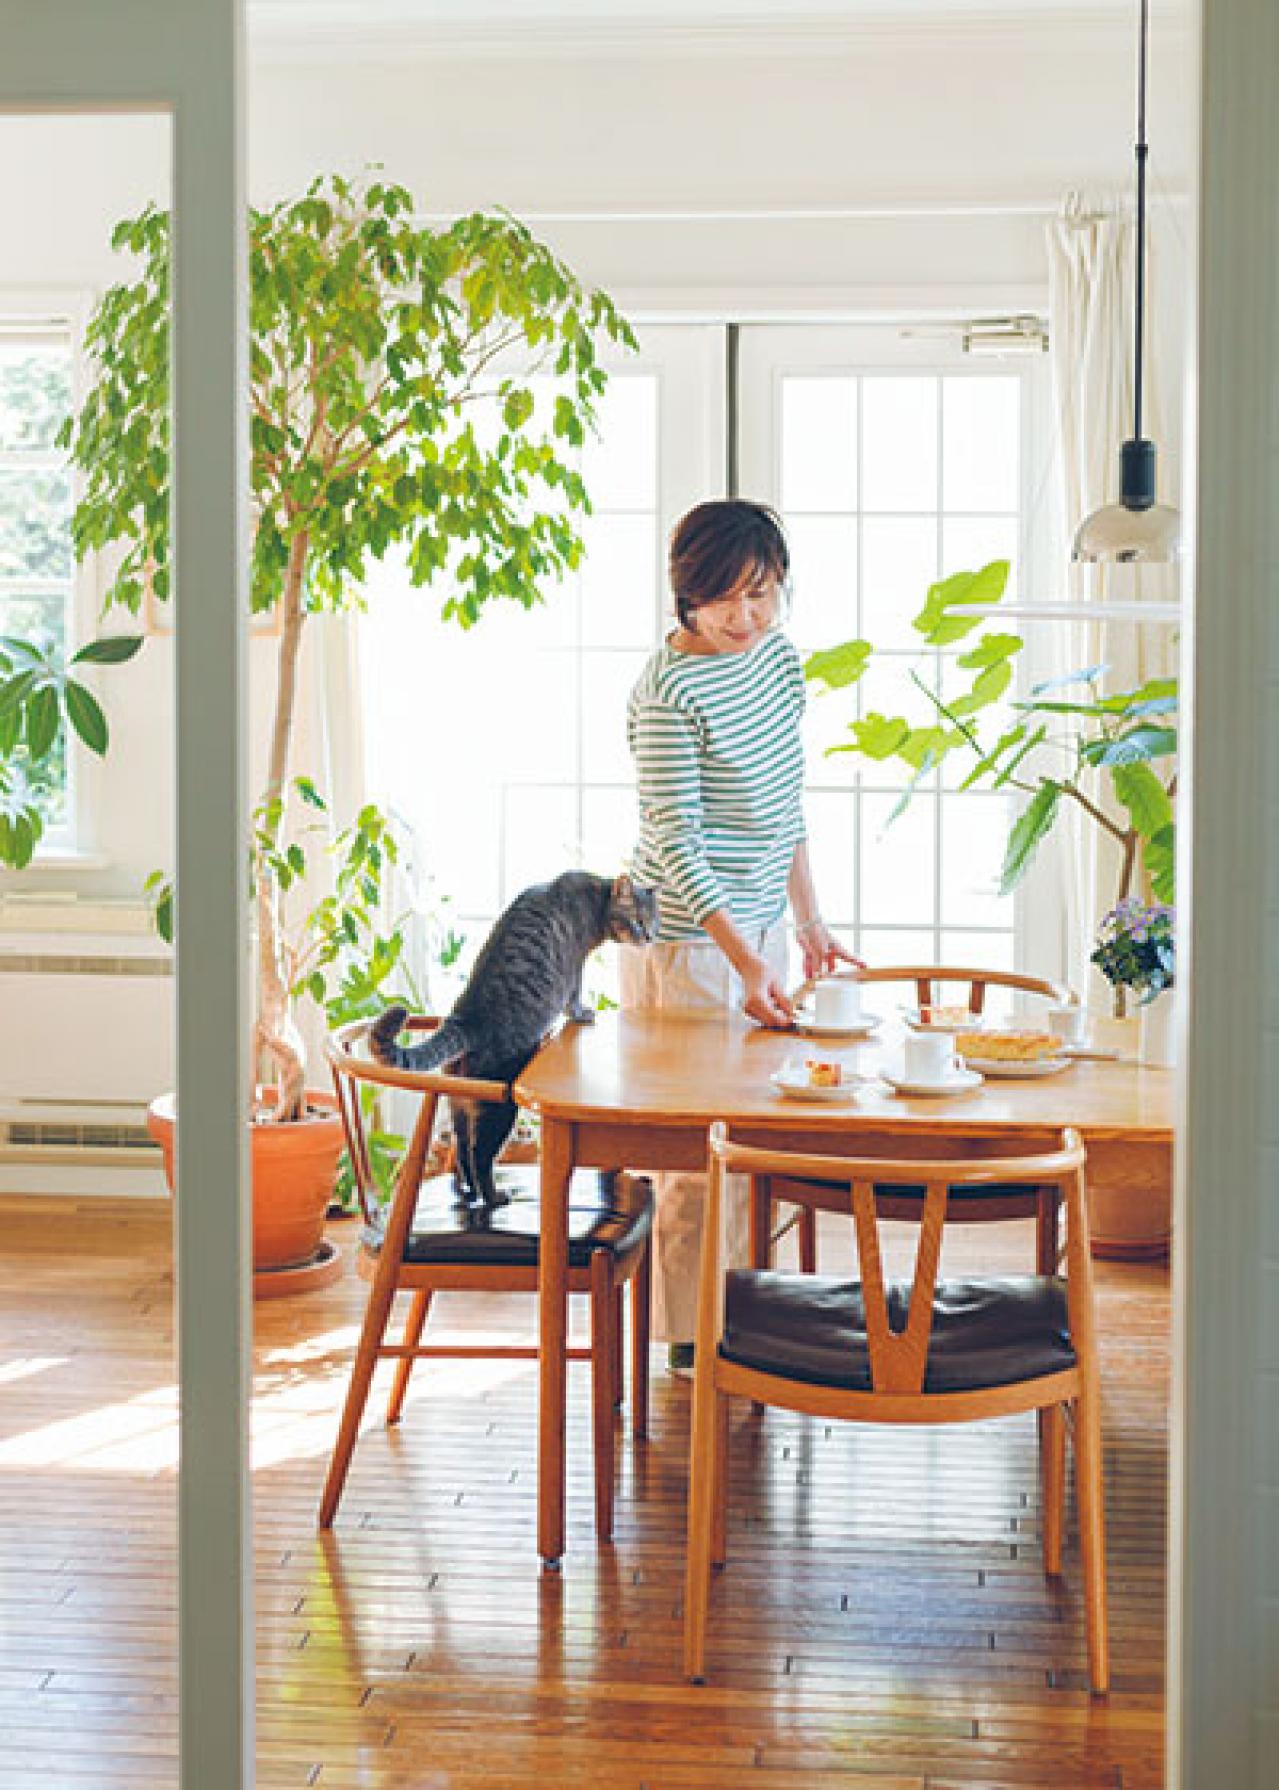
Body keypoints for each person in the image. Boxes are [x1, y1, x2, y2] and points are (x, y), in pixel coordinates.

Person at [621, 498, 859, 1372]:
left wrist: (808, 921)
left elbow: (785, 802)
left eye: (761, 596)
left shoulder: (777, 661)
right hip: (686, 942)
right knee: (690, 1152)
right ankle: (691, 1341)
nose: (744, 618)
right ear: (685, 594)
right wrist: (745, 956)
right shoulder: (665, 691)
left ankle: (745, 1316)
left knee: (754, 1130)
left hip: (755, 926)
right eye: (723, 599)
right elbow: (677, 841)